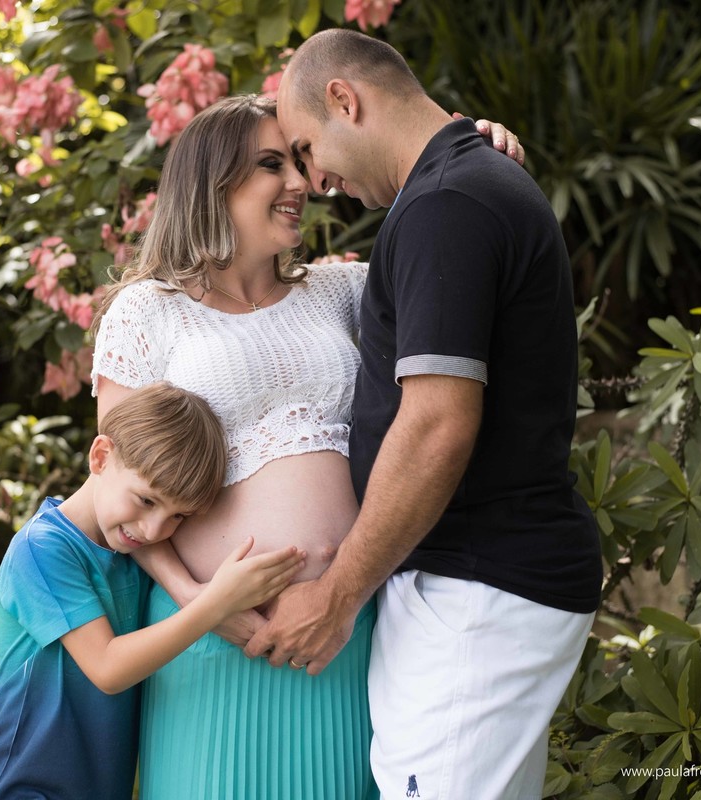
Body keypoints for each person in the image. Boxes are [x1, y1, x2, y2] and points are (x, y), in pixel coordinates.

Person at [89, 95, 524, 798]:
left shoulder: (342, 291)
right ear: (213, 181)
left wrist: (473, 155)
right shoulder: (146, 312)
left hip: (342, 632)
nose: (300, 183)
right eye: (271, 165)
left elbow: (450, 258)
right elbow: (120, 495)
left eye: (299, 161)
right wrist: (202, 602)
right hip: (211, 641)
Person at [245, 28, 603, 800]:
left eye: (306, 150)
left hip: (475, 589)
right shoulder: (456, 189)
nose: (314, 181)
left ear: (345, 99)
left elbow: (438, 422)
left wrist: (337, 596)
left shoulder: (448, 203)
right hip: (474, 588)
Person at [0, 382, 306, 800]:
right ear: (101, 457)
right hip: (20, 785)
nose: (154, 529)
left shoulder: (127, 549)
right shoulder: (43, 550)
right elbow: (108, 668)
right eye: (146, 500)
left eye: (178, 516)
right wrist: (217, 602)